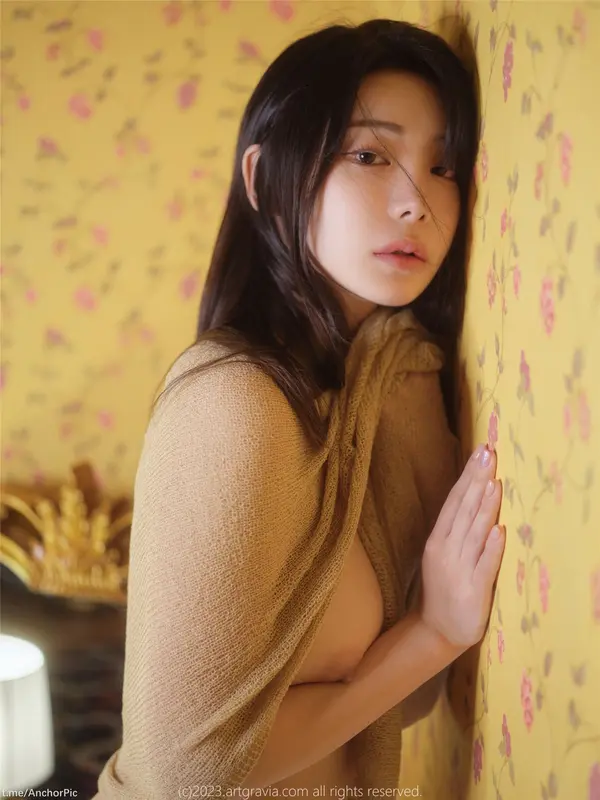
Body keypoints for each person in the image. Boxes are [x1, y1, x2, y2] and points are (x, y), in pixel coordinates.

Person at [94, 17, 505, 796]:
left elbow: (401, 701)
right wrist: (430, 633)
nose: (417, 201)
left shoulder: (377, 392)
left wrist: (407, 373)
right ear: (263, 180)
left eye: (443, 165)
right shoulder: (235, 404)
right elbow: (184, 778)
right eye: (369, 155)